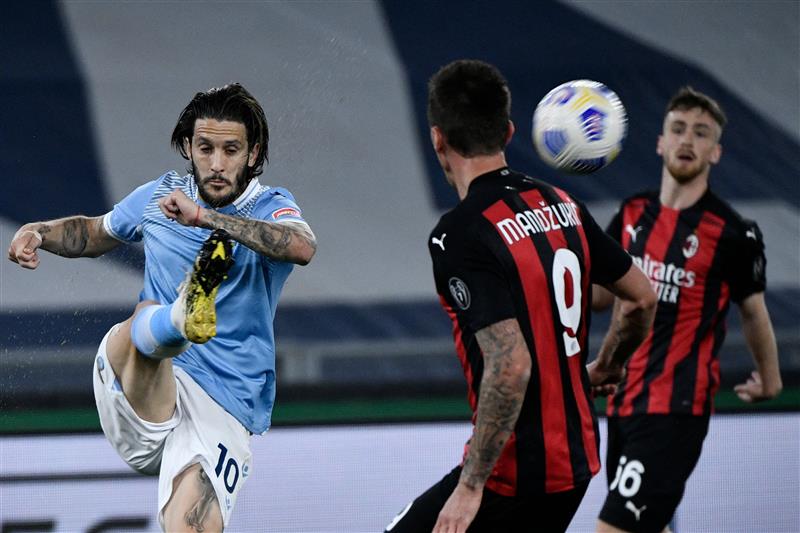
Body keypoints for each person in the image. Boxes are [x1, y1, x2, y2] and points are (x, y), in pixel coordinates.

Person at [8, 83, 316, 532]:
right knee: (141, 322)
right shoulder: (159, 196)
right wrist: (38, 231)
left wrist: (205, 218)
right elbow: (95, 232)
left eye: (231, 150)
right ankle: (179, 317)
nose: (216, 163)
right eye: (205, 147)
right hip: (141, 380)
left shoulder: (271, 206)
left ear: (253, 154)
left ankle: (178, 315)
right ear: (188, 146)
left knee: (188, 527)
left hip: (225, 404)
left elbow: (301, 247)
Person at [384, 59, 657, 533]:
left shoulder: (460, 234)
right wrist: (610, 364)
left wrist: (470, 489)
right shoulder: (560, 202)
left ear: (437, 139)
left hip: (512, 476)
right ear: (508, 131)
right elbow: (641, 297)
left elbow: (510, 365)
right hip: (576, 462)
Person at [594, 86, 783, 533]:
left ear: (715, 152)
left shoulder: (734, 233)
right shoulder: (633, 212)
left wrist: (771, 378)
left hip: (674, 410)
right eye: (678, 129)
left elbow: (753, 312)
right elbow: (601, 297)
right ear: (660, 142)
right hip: (622, 403)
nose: (687, 140)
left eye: (701, 134)